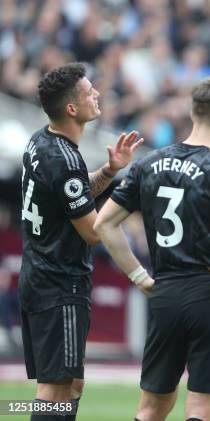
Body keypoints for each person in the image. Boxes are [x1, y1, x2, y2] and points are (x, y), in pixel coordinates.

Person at [93, 77, 210, 421]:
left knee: (152, 407)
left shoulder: (148, 163)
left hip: (165, 292)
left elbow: (103, 224)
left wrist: (140, 276)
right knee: (201, 407)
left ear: (192, 111)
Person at [19, 62, 142, 421]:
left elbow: (71, 193)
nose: (97, 94)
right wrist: (128, 200)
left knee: (70, 385)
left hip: (41, 275)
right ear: (71, 108)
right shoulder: (65, 159)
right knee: (55, 390)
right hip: (59, 283)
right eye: (90, 92)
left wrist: (108, 171)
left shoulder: (42, 140)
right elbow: (91, 230)